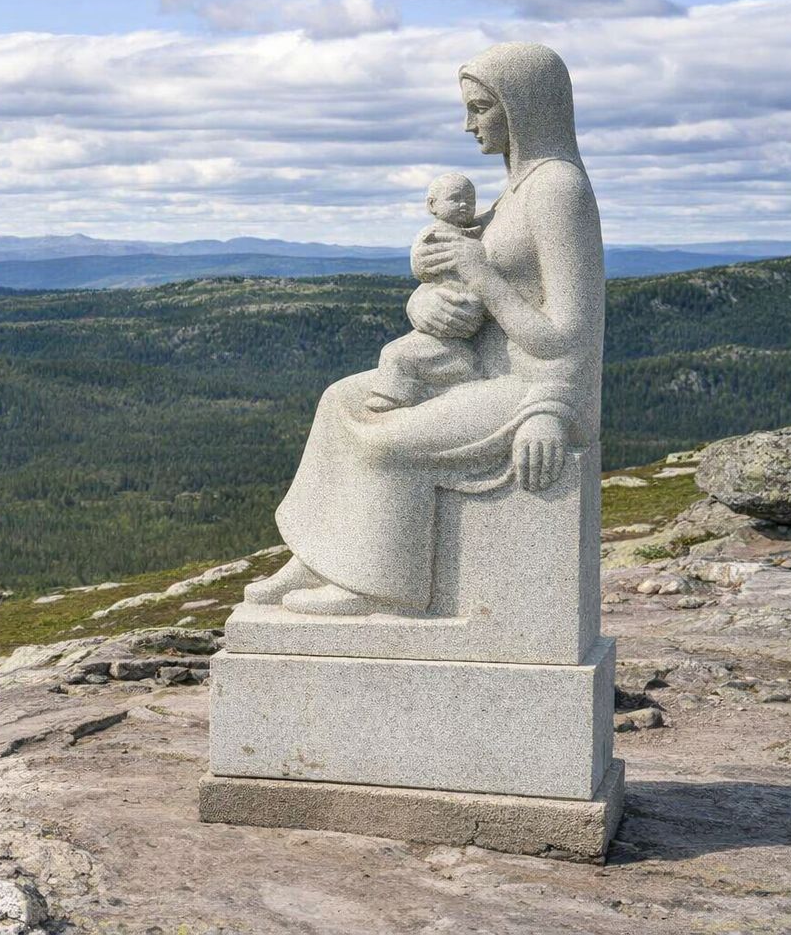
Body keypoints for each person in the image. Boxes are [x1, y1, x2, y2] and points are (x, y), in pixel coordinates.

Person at [245, 42, 605, 617]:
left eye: (481, 107)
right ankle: (318, 557)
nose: (469, 125)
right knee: (339, 400)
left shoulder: (559, 190)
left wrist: (548, 406)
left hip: (533, 391)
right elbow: (469, 285)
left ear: (525, 106)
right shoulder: (516, 190)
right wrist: (423, 305)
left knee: (384, 443)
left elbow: (566, 338)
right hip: (482, 370)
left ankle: (377, 587)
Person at [367, 173, 484, 412]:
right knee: (393, 352)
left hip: (470, 307)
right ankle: (393, 395)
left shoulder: (477, 232)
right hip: (444, 306)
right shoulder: (432, 235)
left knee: (404, 353)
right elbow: (420, 268)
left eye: (470, 200)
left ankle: (409, 391)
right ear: (432, 205)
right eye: (455, 199)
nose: (464, 205)